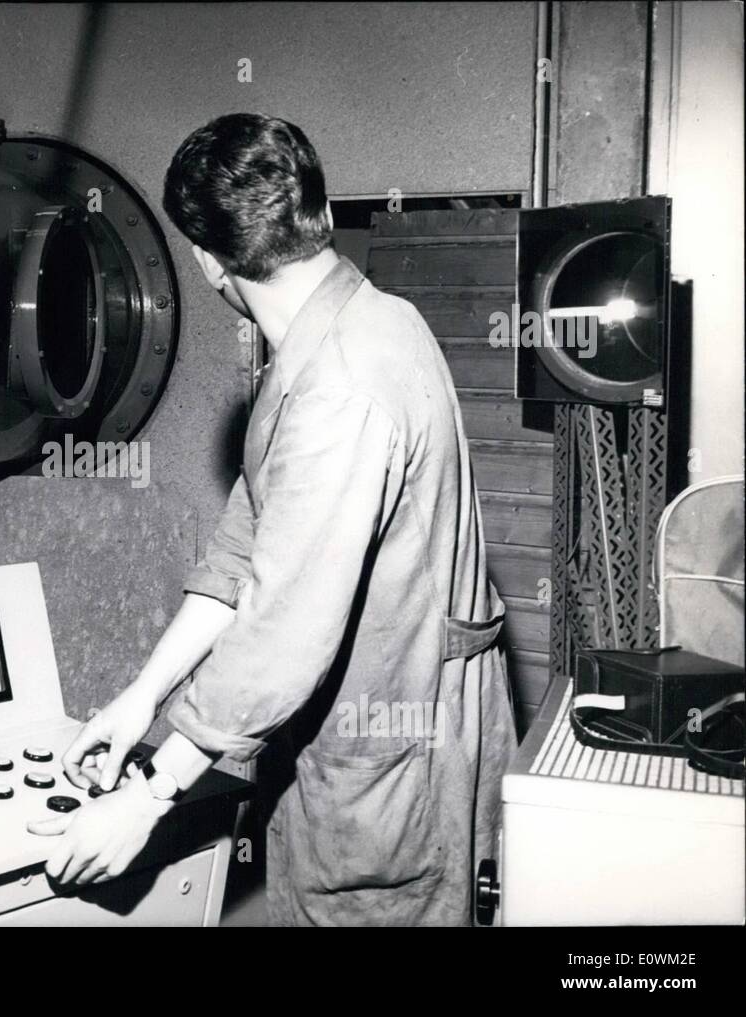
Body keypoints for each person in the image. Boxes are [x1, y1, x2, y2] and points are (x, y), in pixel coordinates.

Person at [26, 112, 517, 926]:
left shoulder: (339, 386)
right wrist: (140, 699)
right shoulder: (363, 323)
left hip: (395, 761)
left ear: (207, 259)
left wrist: (147, 797)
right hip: (376, 738)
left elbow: (285, 633)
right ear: (313, 213)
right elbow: (241, 555)